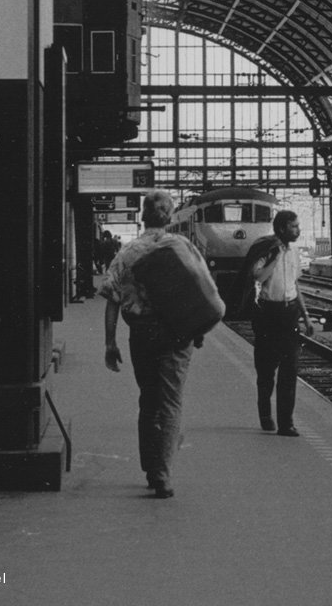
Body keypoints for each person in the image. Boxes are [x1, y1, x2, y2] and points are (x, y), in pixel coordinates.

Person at [100, 190, 200, 498]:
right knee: (171, 403)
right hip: (175, 335)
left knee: (148, 400)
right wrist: (199, 329)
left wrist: (110, 343)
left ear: (143, 215)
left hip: (141, 334)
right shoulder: (182, 247)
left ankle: (150, 466)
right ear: (169, 217)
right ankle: (162, 474)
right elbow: (202, 292)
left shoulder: (129, 251)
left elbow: (112, 299)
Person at [245, 210, 313, 436]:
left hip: (289, 313)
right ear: (282, 228)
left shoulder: (294, 253)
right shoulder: (267, 250)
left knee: (290, 368)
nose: (298, 230)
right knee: (266, 370)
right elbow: (258, 278)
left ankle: (286, 423)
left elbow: (295, 285)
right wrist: (274, 259)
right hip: (268, 314)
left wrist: (305, 315)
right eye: (294, 226)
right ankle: (265, 413)